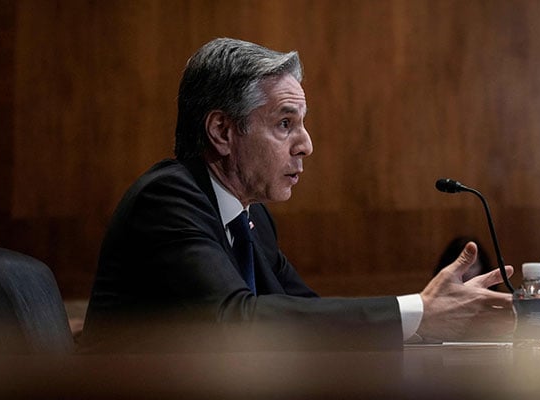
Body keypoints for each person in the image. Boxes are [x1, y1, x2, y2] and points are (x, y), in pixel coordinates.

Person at [80, 38, 513, 353]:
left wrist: (431, 323)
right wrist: (416, 310)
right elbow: (239, 322)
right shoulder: (167, 198)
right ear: (222, 132)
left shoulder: (253, 219)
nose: (306, 144)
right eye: (285, 124)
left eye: (301, 124)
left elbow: (306, 314)